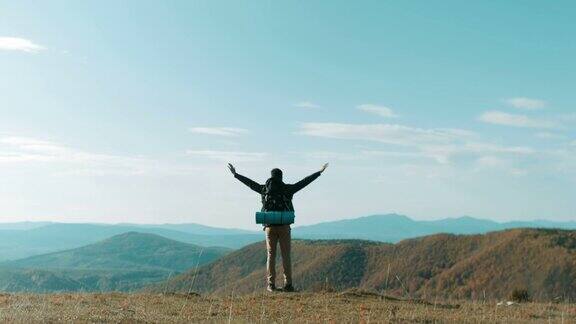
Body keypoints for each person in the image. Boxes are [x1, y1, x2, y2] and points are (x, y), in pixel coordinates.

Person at [228, 163, 328, 292]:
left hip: (269, 227)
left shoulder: (264, 189)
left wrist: (236, 174)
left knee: (271, 255)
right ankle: (288, 284)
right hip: (284, 226)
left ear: (271, 177)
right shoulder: (287, 189)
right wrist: (319, 172)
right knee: (286, 255)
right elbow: (304, 182)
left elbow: (250, 184)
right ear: (281, 177)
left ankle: (271, 284)